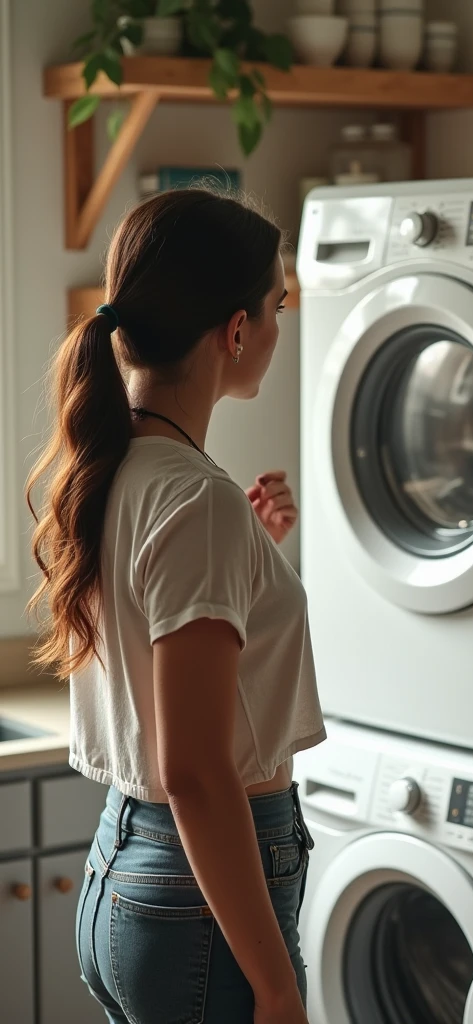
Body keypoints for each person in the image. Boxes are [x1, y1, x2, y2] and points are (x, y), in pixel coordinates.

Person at [24, 187, 326, 1024]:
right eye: (277, 305)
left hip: (127, 872)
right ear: (236, 331)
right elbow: (193, 771)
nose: (276, 324)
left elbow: (152, 634)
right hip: (199, 896)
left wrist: (250, 558)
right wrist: (274, 986)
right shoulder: (196, 502)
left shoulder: (115, 467)